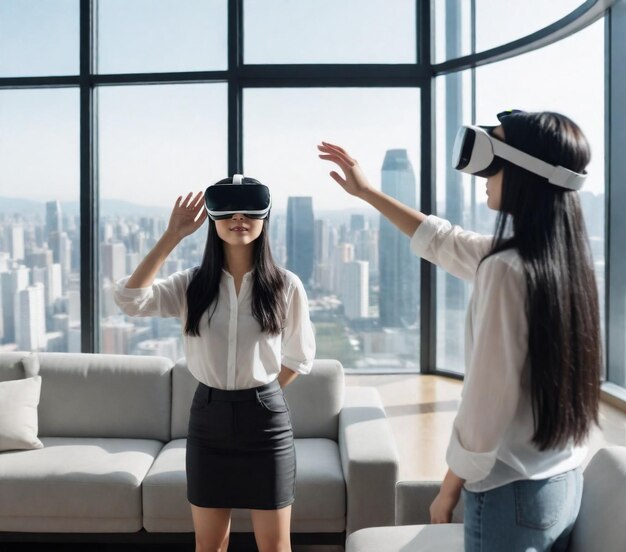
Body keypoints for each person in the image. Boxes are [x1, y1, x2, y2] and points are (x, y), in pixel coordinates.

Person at [318, 110, 601, 552]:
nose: (481, 176)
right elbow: (443, 240)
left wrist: (449, 488)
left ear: (526, 172)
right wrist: (369, 193)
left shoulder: (507, 269)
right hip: (560, 482)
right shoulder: (564, 265)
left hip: (510, 495)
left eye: (492, 162)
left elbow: (486, 404)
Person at [113, 175, 316, 552]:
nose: (239, 218)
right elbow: (129, 300)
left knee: (274, 546)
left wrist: (260, 394)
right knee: (209, 546)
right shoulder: (191, 285)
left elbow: (299, 356)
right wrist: (172, 236)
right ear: (212, 219)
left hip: (266, 424)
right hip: (208, 421)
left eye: (249, 210)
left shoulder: (286, 285)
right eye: (227, 211)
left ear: (265, 216)